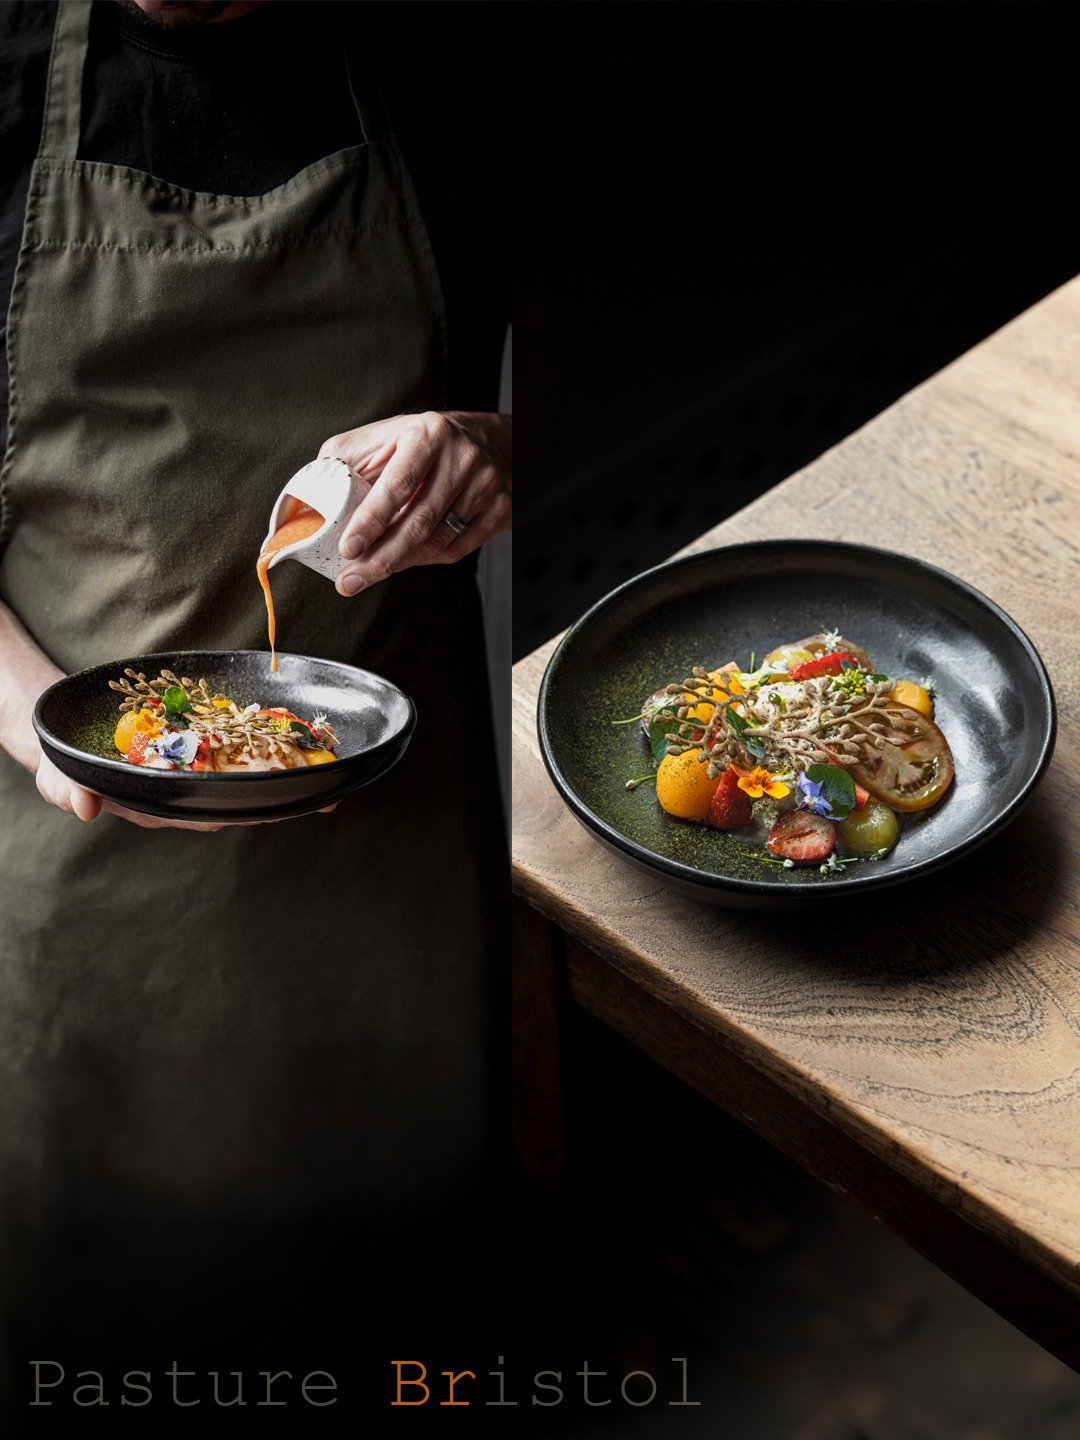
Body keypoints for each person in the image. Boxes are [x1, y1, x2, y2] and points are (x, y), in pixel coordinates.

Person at [0, 0, 509, 1420]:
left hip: (390, 849)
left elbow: (500, 416)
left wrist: (481, 447)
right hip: (80, 851)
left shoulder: (439, 60)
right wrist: (53, 726)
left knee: (390, 1322)